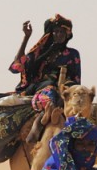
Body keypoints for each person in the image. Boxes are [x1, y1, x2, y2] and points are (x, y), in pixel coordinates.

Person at [9, 14, 81, 143]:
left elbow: (76, 79)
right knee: (51, 93)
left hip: (65, 90)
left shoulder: (72, 54)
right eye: (56, 32)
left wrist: (66, 88)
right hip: (42, 87)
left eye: (61, 32)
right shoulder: (42, 52)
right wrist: (26, 37)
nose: (58, 34)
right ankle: (41, 121)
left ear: (67, 35)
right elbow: (18, 66)